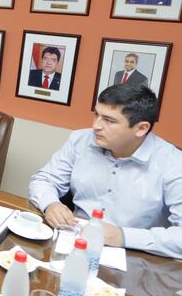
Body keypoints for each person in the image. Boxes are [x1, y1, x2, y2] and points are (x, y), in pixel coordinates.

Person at [29, 84, 182, 259]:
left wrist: (123, 236)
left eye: (109, 120)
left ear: (141, 128)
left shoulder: (173, 164)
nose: (96, 126)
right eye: (96, 114)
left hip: (135, 257)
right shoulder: (80, 140)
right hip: (72, 242)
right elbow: (44, 180)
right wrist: (51, 204)